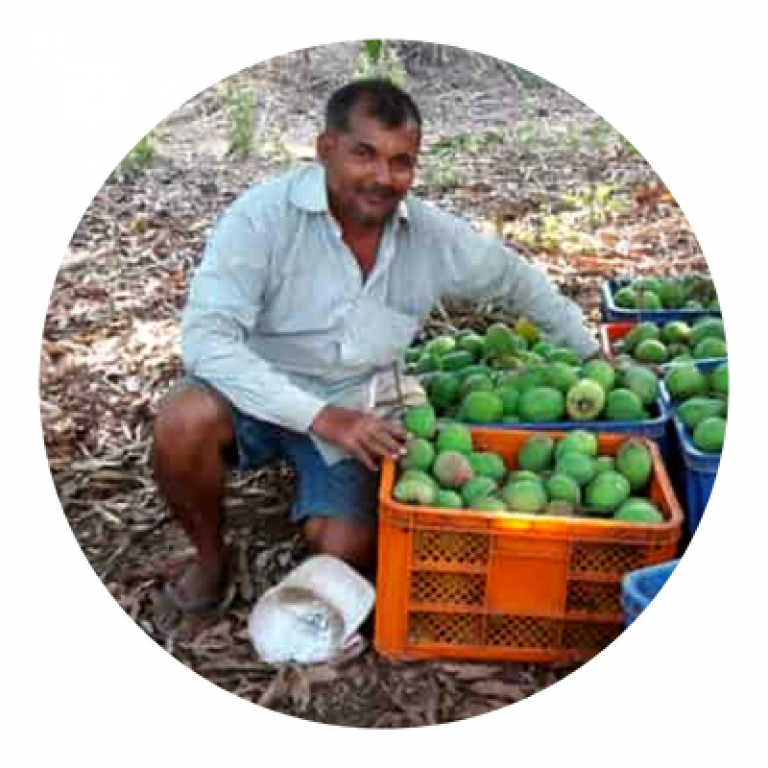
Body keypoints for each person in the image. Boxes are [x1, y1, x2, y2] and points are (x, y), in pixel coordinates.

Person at [151, 78, 600, 623]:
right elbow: (206, 340)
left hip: (356, 404)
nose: (382, 178)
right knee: (182, 419)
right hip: (256, 394)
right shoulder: (262, 219)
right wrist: (319, 417)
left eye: (400, 162)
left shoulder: (431, 238)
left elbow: (516, 279)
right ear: (326, 149)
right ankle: (210, 557)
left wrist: (593, 359)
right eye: (365, 154)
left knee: (345, 550)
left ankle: (314, 492)